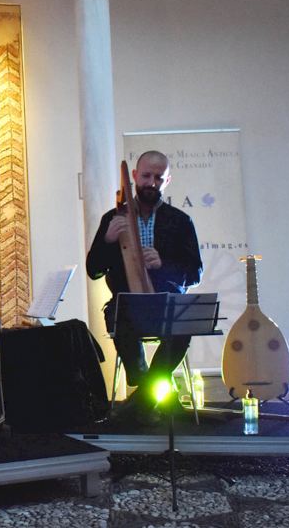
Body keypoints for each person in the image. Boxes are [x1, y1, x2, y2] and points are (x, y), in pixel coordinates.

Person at [86, 151, 203, 415]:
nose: (151, 183)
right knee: (118, 316)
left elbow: (195, 272)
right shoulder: (112, 219)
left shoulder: (180, 221)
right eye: (146, 176)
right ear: (135, 176)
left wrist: (164, 265)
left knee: (184, 324)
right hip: (126, 305)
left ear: (167, 180)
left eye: (159, 178)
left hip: (167, 303)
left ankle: (142, 400)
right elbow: (93, 270)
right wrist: (107, 241)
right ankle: (152, 391)